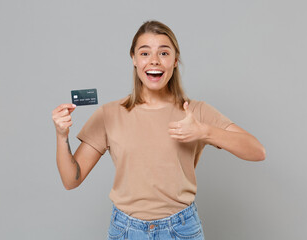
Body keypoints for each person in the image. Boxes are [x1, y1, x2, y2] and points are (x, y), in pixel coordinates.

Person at [52, 20, 266, 240]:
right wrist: (61, 136)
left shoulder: (195, 112)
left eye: (164, 53)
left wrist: (204, 131)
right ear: (133, 59)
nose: (154, 60)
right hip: (126, 231)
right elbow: (71, 180)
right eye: (145, 53)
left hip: (182, 230)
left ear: (175, 60)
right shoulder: (109, 114)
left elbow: (257, 151)